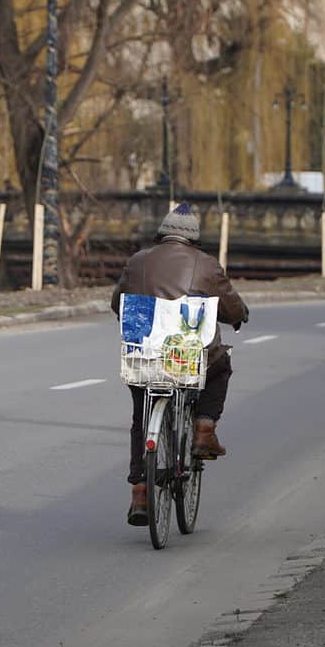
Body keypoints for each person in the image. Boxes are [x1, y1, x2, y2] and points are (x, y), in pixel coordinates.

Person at [110, 203, 248, 526]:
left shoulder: (138, 261)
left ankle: (140, 494)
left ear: (161, 235)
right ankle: (203, 430)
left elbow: (118, 302)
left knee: (140, 417)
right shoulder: (207, 266)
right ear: (194, 240)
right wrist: (239, 316)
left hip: (144, 360)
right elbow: (230, 307)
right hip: (187, 361)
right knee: (221, 366)